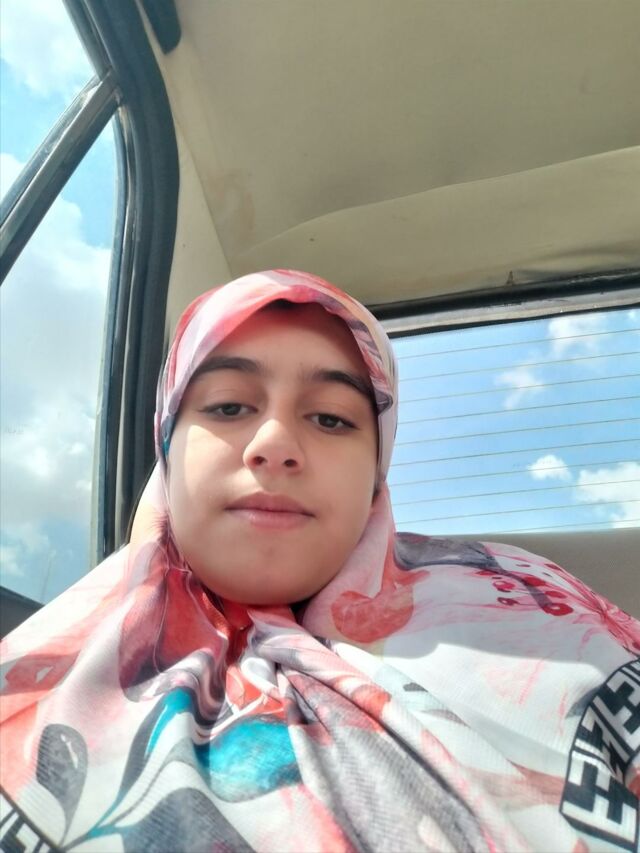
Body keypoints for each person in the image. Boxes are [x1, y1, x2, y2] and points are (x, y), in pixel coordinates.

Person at [0, 269, 638, 852]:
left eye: (331, 419)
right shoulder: (35, 675)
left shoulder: (533, 613)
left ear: (376, 475)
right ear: (168, 448)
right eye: (228, 406)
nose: (275, 444)